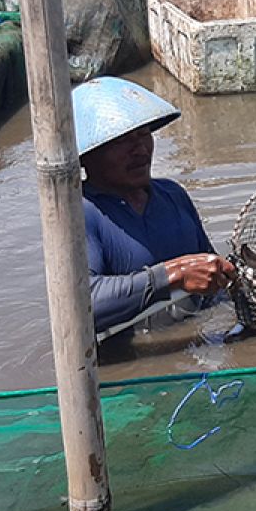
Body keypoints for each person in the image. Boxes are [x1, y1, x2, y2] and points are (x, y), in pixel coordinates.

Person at [72, 76, 236, 335]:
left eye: (143, 135)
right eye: (121, 141)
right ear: (86, 156)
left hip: (191, 346)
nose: (139, 149)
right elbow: (81, 306)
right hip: (133, 360)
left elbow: (211, 274)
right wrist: (173, 275)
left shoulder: (173, 194)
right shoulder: (82, 212)